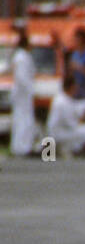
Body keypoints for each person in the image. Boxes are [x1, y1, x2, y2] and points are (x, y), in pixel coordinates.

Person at [47, 73, 85, 155]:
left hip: (57, 131)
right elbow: (71, 124)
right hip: (60, 133)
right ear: (72, 87)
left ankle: (67, 147)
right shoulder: (63, 102)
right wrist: (80, 119)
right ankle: (70, 148)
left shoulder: (61, 98)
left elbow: (76, 106)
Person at [9, 27, 38, 157]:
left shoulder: (21, 56)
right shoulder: (22, 57)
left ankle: (23, 145)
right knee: (23, 120)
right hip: (23, 94)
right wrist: (30, 89)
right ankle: (22, 147)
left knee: (24, 120)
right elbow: (22, 77)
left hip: (23, 94)